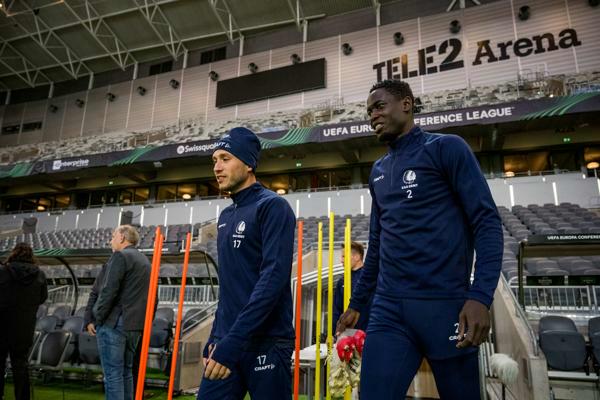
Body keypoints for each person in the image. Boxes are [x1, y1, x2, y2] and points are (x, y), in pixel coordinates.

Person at [336, 80, 503, 400]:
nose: (373, 115)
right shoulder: (379, 170)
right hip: (389, 310)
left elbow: (487, 223)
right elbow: (377, 243)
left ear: (407, 105)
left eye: (380, 106)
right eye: (369, 110)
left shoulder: (447, 148)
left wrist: (481, 296)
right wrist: (358, 303)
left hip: (446, 307)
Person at [197, 127, 296, 400]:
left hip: (268, 340)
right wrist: (215, 338)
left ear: (249, 163)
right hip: (227, 340)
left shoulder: (273, 206)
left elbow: (272, 280)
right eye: (214, 160)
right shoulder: (226, 216)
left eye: (225, 158)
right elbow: (229, 289)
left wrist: (232, 340)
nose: (217, 167)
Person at [93, 225, 151, 400]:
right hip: (135, 325)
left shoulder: (120, 256)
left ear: (122, 238)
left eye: (113, 236)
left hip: (115, 323)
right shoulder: (145, 260)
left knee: (113, 375)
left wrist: (98, 317)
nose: (111, 240)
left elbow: (108, 291)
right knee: (126, 372)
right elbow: (152, 297)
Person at [0, 243, 47, 400]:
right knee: (21, 366)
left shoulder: (3, 271)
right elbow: (43, 298)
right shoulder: (39, 275)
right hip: (24, 328)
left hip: (3, 325)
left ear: (14, 254)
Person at [332, 241, 372, 335]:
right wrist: (333, 333)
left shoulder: (371, 279)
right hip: (345, 334)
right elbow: (336, 310)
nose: (341, 260)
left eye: (344, 256)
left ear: (357, 257)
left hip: (367, 334)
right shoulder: (341, 281)